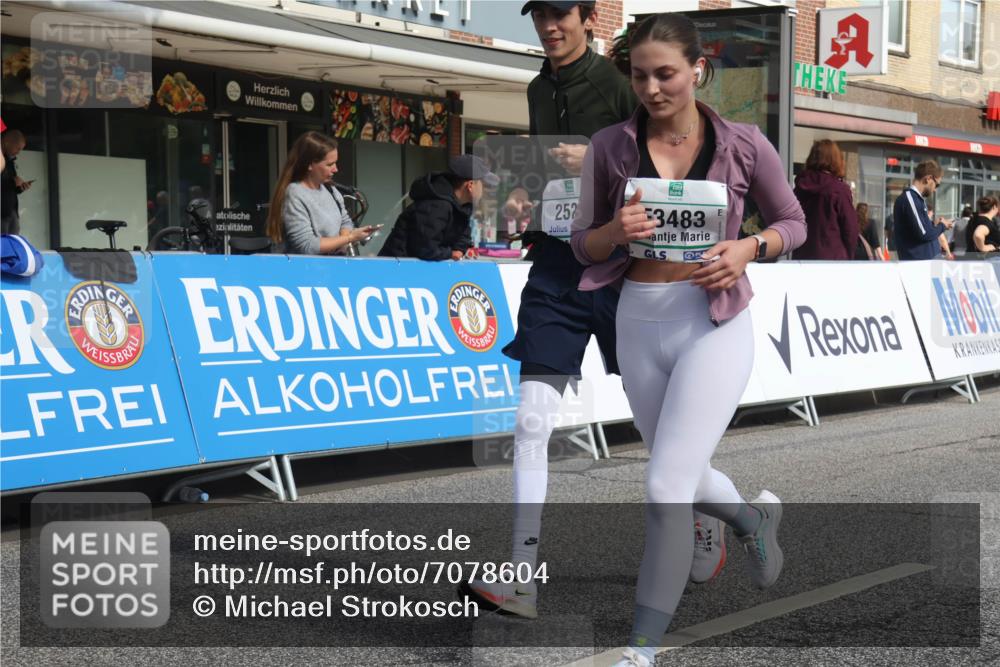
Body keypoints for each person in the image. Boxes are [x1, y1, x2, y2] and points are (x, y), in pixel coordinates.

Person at [462, 1, 722, 620]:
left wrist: (598, 162)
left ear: (585, 18)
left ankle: (721, 515)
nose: (550, 27)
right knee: (530, 421)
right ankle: (521, 574)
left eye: (561, 15)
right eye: (540, 17)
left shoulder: (621, 82)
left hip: (621, 272)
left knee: (665, 439)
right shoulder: (535, 86)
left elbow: (668, 162)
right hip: (555, 266)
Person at [569, 14, 806, 666]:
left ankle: (641, 650)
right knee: (687, 469)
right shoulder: (609, 147)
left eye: (665, 73)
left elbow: (794, 221)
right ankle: (752, 522)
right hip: (638, 322)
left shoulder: (745, 143)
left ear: (699, 68)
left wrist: (750, 247)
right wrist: (614, 233)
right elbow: (581, 241)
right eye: (640, 75)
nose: (651, 87)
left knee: (666, 482)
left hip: (714, 323)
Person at [266, 131, 376, 255]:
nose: (336, 169)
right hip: (304, 271)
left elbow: (345, 221)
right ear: (310, 165)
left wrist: (345, 239)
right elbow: (308, 246)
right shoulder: (295, 194)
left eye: (336, 163)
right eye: (329, 164)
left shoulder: (330, 189)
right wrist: (349, 238)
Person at [378, 154, 496, 260]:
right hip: (396, 271)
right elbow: (424, 248)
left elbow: (463, 238)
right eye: (482, 184)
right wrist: (451, 254)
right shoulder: (436, 205)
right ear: (470, 185)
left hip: (415, 271)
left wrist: (460, 250)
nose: (484, 190)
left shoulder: (463, 206)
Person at [792, 140, 858, 260]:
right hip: (833, 260)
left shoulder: (799, 188)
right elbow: (850, 229)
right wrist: (849, 256)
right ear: (836, 160)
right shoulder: (839, 190)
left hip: (803, 258)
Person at [893, 160, 955, 260]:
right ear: (928, 179)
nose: (935, 189)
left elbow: (921, 230)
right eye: (937, 185)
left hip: (925, 264)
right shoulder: (910, 199)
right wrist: (942, 226)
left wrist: (934, 225)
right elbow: (924, 234)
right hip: (918, 266)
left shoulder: (917, 199)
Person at [1, 129, 31, 235]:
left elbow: (9, 186)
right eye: (18, 148)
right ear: (7, 142)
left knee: (13, 245)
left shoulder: (9, 161)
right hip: (2, 214)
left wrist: (19, 187)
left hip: (11, 211)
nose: (18, 152)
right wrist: (12, 183)